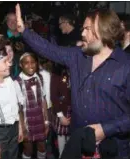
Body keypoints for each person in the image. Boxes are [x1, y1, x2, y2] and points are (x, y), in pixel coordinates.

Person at [16, 4, 130, 158]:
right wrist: (24, 31)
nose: (82, 33)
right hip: (79, 144)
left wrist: (106, 129)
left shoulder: (125, 65)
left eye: (87, 29)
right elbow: (50, 49)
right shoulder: (78, 56)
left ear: (104, 31)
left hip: (112, 149)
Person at [14, 53, 49, 159]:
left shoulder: (40, 78)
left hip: (40, 119)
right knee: (28, 150)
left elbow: (43, 100)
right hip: (27, 122)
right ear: (21, 65)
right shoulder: (17, 82)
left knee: (42, 147)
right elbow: (18, 108)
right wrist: (22, 128)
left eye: (33, 62)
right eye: (26, 63)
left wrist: (46, 121)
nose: (30, 66)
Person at [50, 66, 71, 158]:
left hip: (75, 110)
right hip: (62, 110)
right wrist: (60, 116)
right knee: (61, 135)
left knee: (72, 134)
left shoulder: (74, 71)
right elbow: (54, 97)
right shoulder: (56, 75)